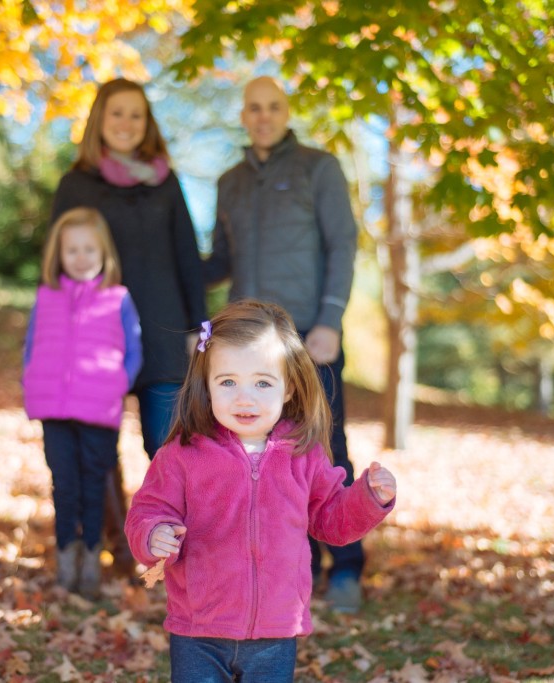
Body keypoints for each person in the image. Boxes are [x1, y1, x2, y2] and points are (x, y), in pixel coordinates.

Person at [124, 300, 396, 683]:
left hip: (275, 629)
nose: (244, 397)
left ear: (288, 388)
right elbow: (147, 510)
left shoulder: (303, 454)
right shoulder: (182, 454)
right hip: (199, 629)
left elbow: (331, 520)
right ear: (207, 386)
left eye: (262, 383)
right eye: (228, 382)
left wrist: (368, 499)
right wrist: (154, 533)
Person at [203, 76, 366, 612]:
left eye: (273, 106)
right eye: (254, 108)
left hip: (309, 339)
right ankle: (297, 568)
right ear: (243, 115)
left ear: (286, 111)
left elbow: (342, 244)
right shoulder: (229, 183)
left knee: (325, 448)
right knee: (266, 457)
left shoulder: (318, 168)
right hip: (249, 348)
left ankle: (347, 568)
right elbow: (219, 261)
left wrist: (331, 320)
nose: (264, 116)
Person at [50, 78, 206, 460]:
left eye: (136, 115)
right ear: (99, 119)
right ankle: (110, 504)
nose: (126, 123)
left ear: (147, 122)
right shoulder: (75, 185)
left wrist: (198, 330)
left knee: (170, 453)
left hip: (165, 333)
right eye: (117, 113)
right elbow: (56, 266)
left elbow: (187, 257)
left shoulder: (166, 183)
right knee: (97, 456)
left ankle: (171, 505)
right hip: (95, 336)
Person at [22, 207, 143, 600]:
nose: (80, 257)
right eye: (71, 250)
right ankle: (65, 563)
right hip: (54, 411)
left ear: (104, 252)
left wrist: (118, 385)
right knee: (64, 485)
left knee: (94, 487)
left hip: (98, 410)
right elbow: (32, 345)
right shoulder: (47, 296)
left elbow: (133, 350)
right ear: (58, 254)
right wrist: (31, 379)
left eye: (89, 249)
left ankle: (91, 562)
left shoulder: (118, 298)